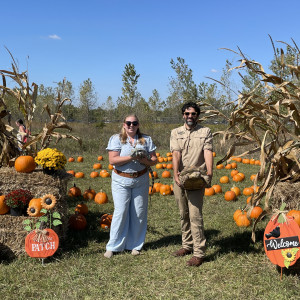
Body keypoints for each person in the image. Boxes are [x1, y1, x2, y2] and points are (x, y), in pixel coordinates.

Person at [104, 114, 157, 258]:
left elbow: (154, 160)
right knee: (121, 211)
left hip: (141, 179)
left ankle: (135, 245)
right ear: (124, 124)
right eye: (128, 123)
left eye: (134, 123)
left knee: (139, 212)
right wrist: (132, 157)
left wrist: (144, 159)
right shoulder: (116, 139)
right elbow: (112, 160)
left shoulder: (146, 139)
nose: (131, 125)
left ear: (138, 124)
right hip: (121, 180)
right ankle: (113, 246)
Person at [170, 101, 213, 267]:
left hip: (197, 177)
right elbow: (176, 154)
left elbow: (208, 152)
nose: (190, 116)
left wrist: (209, 174)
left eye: (193, 114)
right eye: (187, 114)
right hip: (180, 178)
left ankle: (199, 252)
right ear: (183, 115)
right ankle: (187, 245)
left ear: (197, 116)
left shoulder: (205, 132)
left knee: (195, 215)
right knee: (183, 213)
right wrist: (175, 175)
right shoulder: (176, 132)